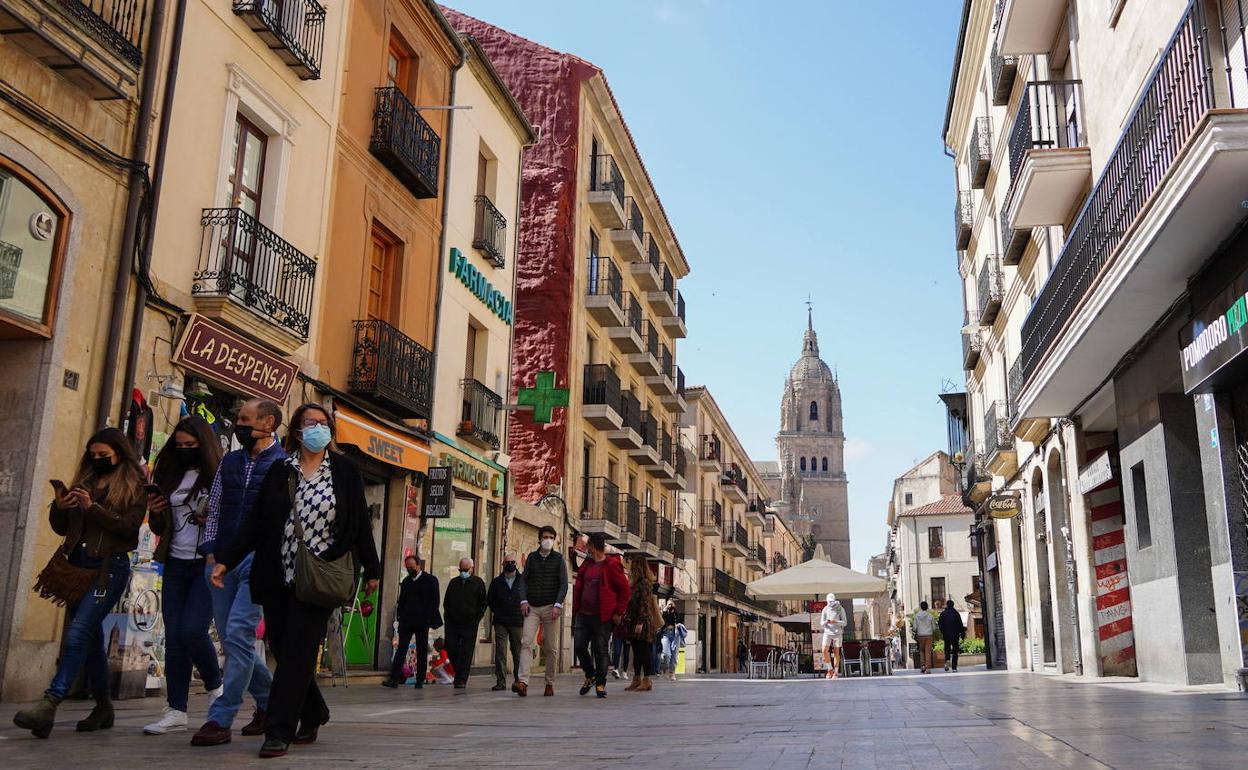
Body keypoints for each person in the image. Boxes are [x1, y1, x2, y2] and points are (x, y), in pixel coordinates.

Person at [212, 402, 381, 758]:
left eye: (323, 423)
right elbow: (256, 522)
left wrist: (373, 570)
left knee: (299, 649)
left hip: (320, 573)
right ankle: (315, 711)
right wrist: (226, 560)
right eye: (310, 423)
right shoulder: (280, 471)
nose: (317, 428)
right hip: (278, 574)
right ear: (297, 430)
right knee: (285, 649)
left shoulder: (345, 472)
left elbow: (359, 524)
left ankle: (278, 729)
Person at [14, 428, 147, 739]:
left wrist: (93, 508)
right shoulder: (84, 482)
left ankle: (50, 703)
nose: (97, 460)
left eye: (104, 456)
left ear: (119, 454)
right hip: (75, 567)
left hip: (108, 569)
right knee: (88, 640)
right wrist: (60, 508)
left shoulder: (133, 485)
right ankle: (103, 706)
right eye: (93, 455)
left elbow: (128, 530)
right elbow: (62, 528)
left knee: (76, 634)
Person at [193, 398, 283, 747]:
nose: (238, 424)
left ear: (268, 423)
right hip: (221, 560)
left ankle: (221, 717)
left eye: (245, 419)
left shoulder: (284, 465)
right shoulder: (230, 461)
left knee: (238, 633)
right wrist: (211, 552)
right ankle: (269, 701)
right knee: (234, 641)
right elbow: (213, 509)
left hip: (259, 562)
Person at [143, 417, 224, 735]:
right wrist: (157, 509)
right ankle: (176, 709)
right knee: (175, 638)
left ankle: (216, 686)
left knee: (193, 630)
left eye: (191, 445)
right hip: (175, 563)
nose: (185, 450)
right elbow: (157, 527)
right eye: (179, 446)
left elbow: (226, 519)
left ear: (203, 445)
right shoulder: (170, 474)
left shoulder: (217, 476)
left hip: (206, 563)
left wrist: (210, 519)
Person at [573, 533, 629, 699]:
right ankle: (590, 675)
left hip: (602, 616)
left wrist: (619, 612)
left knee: (600, 650)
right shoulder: (586, 565)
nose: (587, 550)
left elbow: (625, 590)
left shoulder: (611, 565)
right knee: (580, 646)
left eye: (588, 547)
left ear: (594, 547)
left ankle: (600, 683)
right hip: (583, 613)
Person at [517, 525, 568, 697]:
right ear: (540, 539)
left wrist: (558, 604)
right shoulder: (532, 558)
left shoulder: (559, 559)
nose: (548, 540)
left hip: (550, 607)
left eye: (551, 537)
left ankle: (549, 682)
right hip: (532, 607)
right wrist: (523, 600)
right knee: (526, 642)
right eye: (545, 536)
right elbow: (523, 581)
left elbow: (563, 584)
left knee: (551, 648)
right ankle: (523, 681)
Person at [383, 555, 441, 689]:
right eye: (408, 568)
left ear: (418, 566)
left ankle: (420, 679)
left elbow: (434, 601)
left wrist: (427, 618)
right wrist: (400, 618)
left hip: (422, 621)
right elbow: (402, 601)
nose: (410, 570)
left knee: (421, 650)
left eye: (412, 567)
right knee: (401, 649)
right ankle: (394, 678)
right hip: (407, 621)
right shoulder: (407, 581)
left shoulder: (430, 580)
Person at [442, 557, 488, 690]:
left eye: (465, 570)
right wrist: (448, 617)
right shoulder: (453, 583)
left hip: (469, 624)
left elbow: (482, 604)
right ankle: (458, 671)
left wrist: (476, 619)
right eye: (461, 570)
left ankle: (461, 678)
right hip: (453, 624)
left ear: (472, 569)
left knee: (466, 651)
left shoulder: (478, 583)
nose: (463, 572)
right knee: (451, 648)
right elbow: (447, 602)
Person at [622, 557, 663, 692]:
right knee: (637, 651)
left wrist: (640, 622)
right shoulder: (636, 583)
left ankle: (647, 679)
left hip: (642, 622)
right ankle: (637, 679)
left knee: (643, 651)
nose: (631, 568)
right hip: (634, 620)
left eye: (633, 565)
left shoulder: (644, 583)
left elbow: (644, 603)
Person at [487, 553, 526, 693]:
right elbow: (490, 600)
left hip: (517, 621)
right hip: (501, 621)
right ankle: (501, 681)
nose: (510, 564)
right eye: (507, 562)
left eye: (513, 562)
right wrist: (498, 610)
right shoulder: (497, 582)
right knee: (500, 652)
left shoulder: (523, 581)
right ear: (503, 564)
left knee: (517, 653)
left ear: (516, 564)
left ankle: (518, 681)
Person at [821, 593, 847, 679]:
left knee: (836, 652)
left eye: (831, 601)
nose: (830, 603)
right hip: (827, 632)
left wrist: (836, 621)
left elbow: (845, 622)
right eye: (829, 601)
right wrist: (826, 622)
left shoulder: (840, 609)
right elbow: (821, 623)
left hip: (837, 633)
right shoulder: (825, 609)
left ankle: (835, 672)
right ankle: (829, 669)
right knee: (824, 650)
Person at [939, 599, 966, 672]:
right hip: (955, 635)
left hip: (946, 635)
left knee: (947, 650)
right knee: (955, 651)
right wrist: (962, 634)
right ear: (953, 605)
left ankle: (947, 660)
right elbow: (960, 625)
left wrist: (943, 632)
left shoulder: (943, 614)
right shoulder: (956, 613)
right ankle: (954, 667)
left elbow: (940, 625)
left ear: (947, 605)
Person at [914, 601, 937, 674]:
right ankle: (928, 668)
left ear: (920, 607)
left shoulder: (917, 616)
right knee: (928, 652)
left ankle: (922, 666)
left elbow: (914, 627)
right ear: (927, 607)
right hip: (929, 635)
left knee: (921, 651)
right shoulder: (930, 616)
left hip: (920, 635)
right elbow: (934, 627)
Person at [659, 600, 679, 680]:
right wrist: (664, 611)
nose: (670, 605)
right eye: (668, 604)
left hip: (675, 634)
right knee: (666, 654)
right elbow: (661, 622)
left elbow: (679, 621)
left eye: (671, 604)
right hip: (666, 634)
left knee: (674, 655)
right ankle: (665, 669)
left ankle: (672, 672)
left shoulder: (676, 613)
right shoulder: (664, 613)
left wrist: (674, 611)